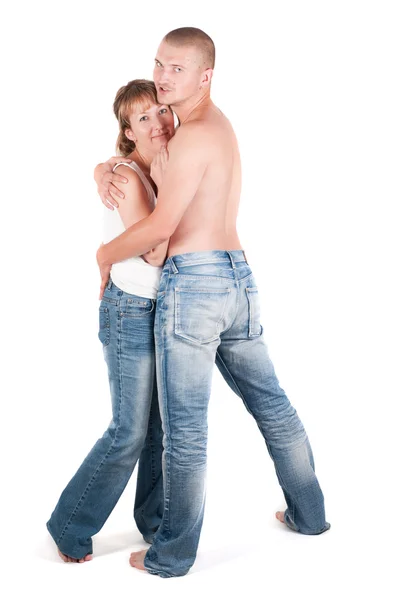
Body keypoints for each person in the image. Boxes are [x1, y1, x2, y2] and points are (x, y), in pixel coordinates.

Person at [96, 27, 330, 579]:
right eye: (158, 64)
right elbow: (162, 182)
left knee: (185, 430)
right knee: (272, 404)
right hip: (237, 277)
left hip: (195, 286)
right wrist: (111, 165)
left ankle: (171, 555)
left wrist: (103, 254)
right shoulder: (212, 127)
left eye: (177, 69)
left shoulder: (193, 134)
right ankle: (311, 514)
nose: (162, 76)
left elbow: (161, 227)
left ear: (205, 76)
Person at [47, 79, 175, 562]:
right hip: (130, 311)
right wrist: (106, 170)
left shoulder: (154, 167)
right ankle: (68, 525)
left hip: (161, 312)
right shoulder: (125, 175)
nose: (156, 122)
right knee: (129, 430)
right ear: (127, 131)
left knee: (158, 429)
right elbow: (157, 248)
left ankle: (155, 522)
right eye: (142, 118)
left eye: (161, 111)